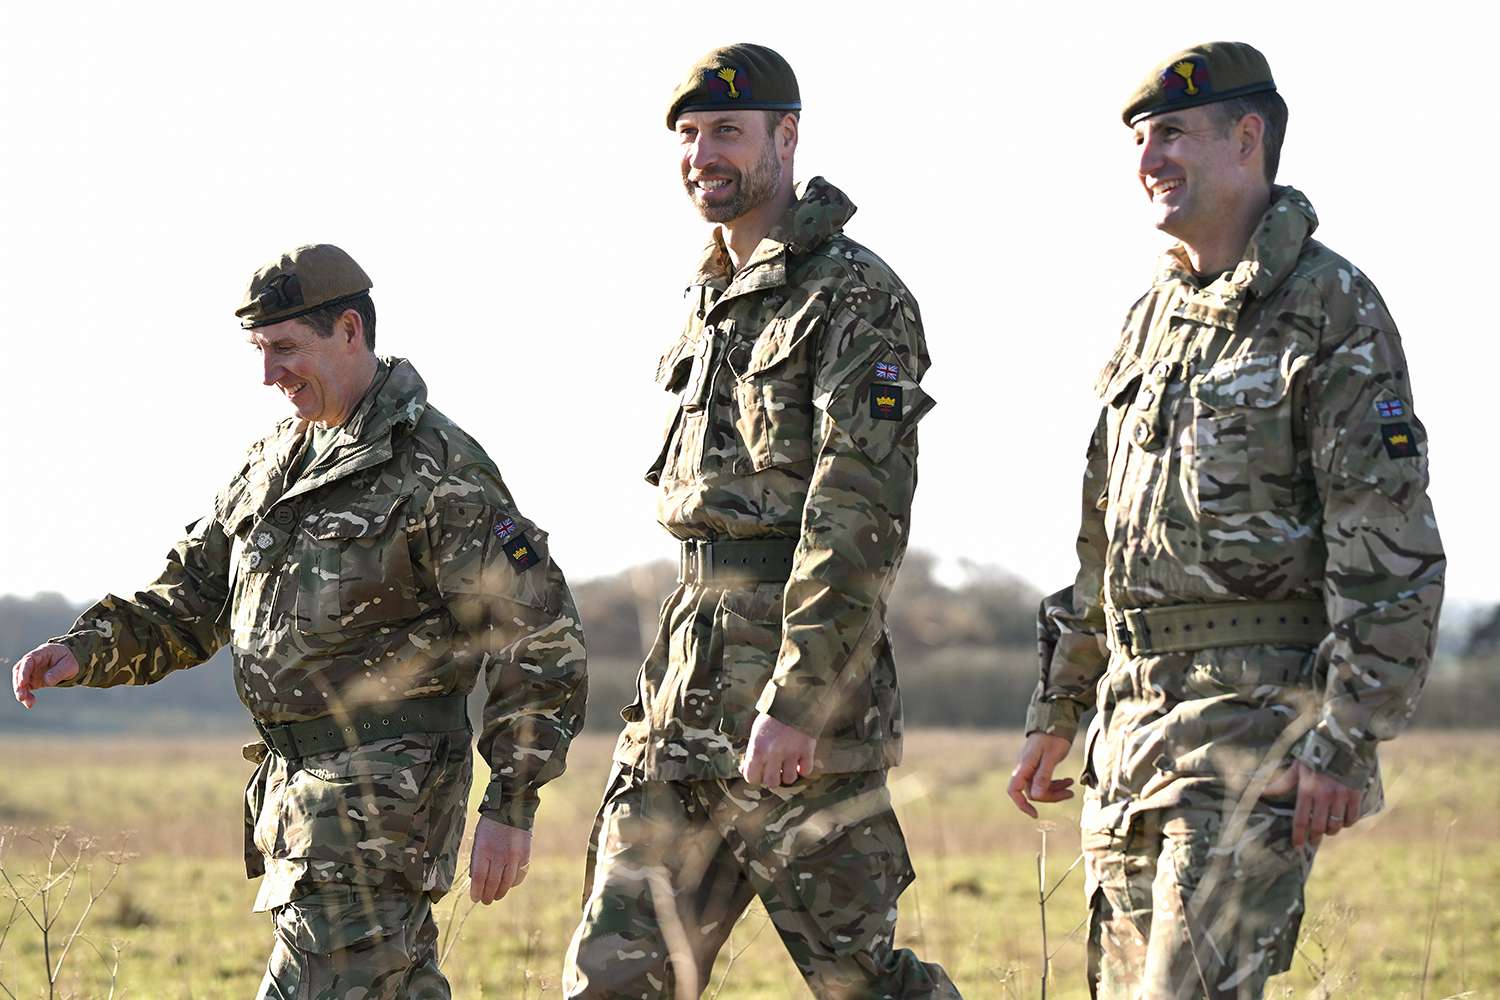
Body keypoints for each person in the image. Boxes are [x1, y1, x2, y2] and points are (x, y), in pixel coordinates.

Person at [11, 244, 588, 999]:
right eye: (259, 350)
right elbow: (193, 595)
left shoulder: (437, 466)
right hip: (296, 802)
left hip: (382, 802)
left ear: (350, 331)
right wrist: (85, 649)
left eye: (285, 348)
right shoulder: (275, 461)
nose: (267, 374)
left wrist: (512, 802)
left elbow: (537, 632)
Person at [1006, 41, 1445, 999]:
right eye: (1139, 140)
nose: (1147, 159)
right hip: (1129, 737)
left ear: (1247, 138)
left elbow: (1390, 541)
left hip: (1258, 731)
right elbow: (1104, 543)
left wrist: (1346, 736)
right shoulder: (1147, 319)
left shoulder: (1332, 306)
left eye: (1170, 134)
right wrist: (1060, 709)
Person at [561, 42, 961, 999]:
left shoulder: (854, 295)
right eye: (690, 135)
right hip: (681, 694)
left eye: (728, 132)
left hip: (798, 706)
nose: (704, 153)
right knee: (613, 977)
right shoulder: (709, 301)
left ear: (787, 137)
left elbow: (856, 516)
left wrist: (799, 697)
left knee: (860, 980)